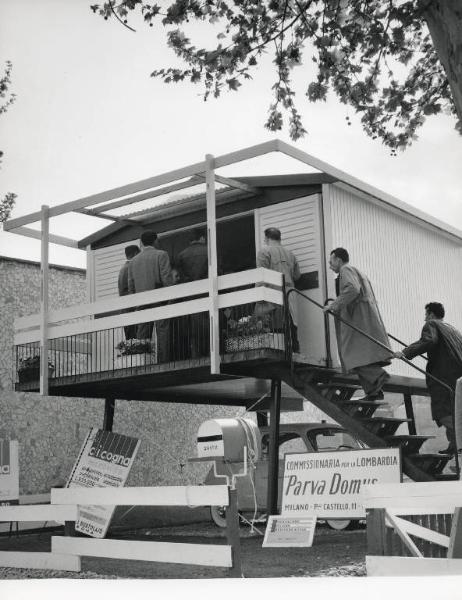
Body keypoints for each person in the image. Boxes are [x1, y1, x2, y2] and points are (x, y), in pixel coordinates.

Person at [392, 302, 462, 455]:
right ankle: (455, 445)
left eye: (426, 314)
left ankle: (458, 441)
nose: (425, 318)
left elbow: (429, 340)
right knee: (453, 409)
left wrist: (405, 352)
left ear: (430, 314)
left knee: (443, 413)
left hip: (443, 377)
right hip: (456, 378)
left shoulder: (432, 324)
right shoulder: (453, 329)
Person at [324, 248, 391, 401]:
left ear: (338, 260)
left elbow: (352, 289)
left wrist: (334, 305)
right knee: (360, 357)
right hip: (365, 319)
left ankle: (379, 376)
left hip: (357, 320)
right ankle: (374, 392)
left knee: (354, 356)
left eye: (331, 261)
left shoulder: (346, 269)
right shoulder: (359, 272)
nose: (330, 265)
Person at [128, 230, 173, 361]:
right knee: (163, 332)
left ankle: (142, 361)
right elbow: (167, 278)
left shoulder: (133, 261)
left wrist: (135, 301)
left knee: (142, 334)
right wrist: (171, 298)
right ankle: (163, 362)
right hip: (160, 300)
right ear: (155, 241)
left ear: (141, 242)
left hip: (141, 302)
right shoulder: (161, 255)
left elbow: (131, 285)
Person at [256, 227, 301, 352]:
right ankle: (294, 351)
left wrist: (257, 296)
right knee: (291, 322)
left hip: (272, 292)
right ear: (279, 238)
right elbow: (297, 275)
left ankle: (278, 351)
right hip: (289, 292)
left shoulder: (264, 252)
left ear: (266, 238)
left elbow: (261, 275)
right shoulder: (291, 254)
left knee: (273, 324)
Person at [177, 228, 209, 358]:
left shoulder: (181, 255)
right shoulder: (209, 250)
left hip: (189, 296)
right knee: (208, 326)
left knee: (192, 328)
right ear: (202, 238)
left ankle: (195, 355)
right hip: (206, 293)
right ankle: (209, 354)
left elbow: (180, 277)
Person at [118, 244, 140, 340]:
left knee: (131, 338)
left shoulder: (123, 268)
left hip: (125, 308)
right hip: (130, 308)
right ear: (135, 253)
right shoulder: (130, 267)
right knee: (134, 338)